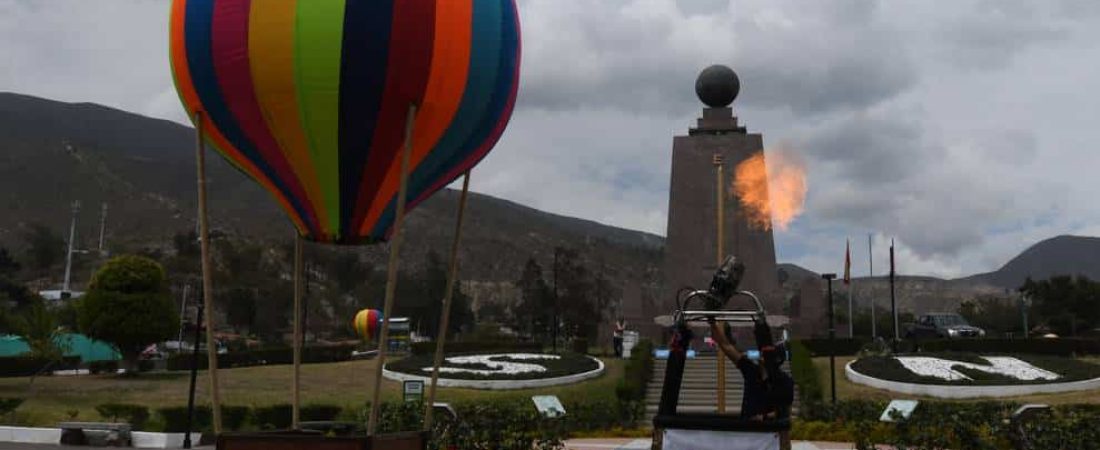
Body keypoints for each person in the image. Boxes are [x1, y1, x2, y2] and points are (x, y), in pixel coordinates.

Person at [708, 318, 794, 421]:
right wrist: (713, 323)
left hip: (768, 432)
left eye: (767, 353)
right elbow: (726, 346)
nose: (762, 353)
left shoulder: (784, 381)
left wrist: (763, 417)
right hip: (746, 429)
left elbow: (785, 412)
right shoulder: (751, 370)